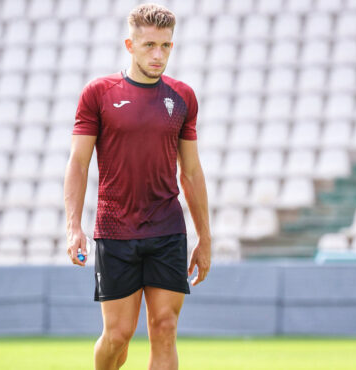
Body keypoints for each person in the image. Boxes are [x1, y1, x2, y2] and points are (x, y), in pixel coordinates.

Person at [63, 3, 211, 369]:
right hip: (115, 230)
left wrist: (205, 238)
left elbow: (191, 172)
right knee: (118, 336)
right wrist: (73, 226)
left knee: (165, 326)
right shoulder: (99, 93)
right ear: (130, 45)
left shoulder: (182, 98)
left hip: (167, 229)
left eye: (165, 45)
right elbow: (78, 163)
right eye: (149, 46)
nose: (158, 54)